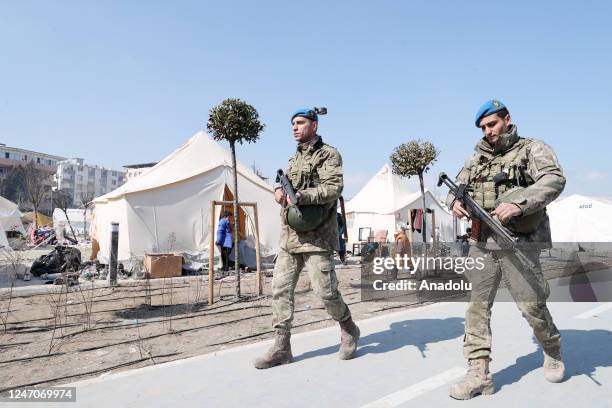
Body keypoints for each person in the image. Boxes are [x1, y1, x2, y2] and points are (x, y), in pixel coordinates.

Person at [447, 99, 566, 399]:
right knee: (477, 305)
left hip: (519, 243)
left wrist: (519, 203)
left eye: (492, 124)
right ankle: (478, 372)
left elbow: (554, 179)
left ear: (507, 119)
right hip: (481, 243)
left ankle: (552, 348)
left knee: (531, 306)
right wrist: (455, 202)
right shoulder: (476, 159)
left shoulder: (531, 148)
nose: (488, 131)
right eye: (483, 127)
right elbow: (456, 187)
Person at [253, 108, 360, 369]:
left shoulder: (328, 154)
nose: (294, 127)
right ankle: (282, 346)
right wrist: (279, 191)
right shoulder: (293, 159)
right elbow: (286, 182)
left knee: (325, 291)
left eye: (300, 123)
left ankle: (348, 327)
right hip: (290, 238)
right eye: (292, 124)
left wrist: (302, 196)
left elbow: (334, 188)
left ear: (314, 125)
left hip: (318, 238)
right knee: (279, 290)